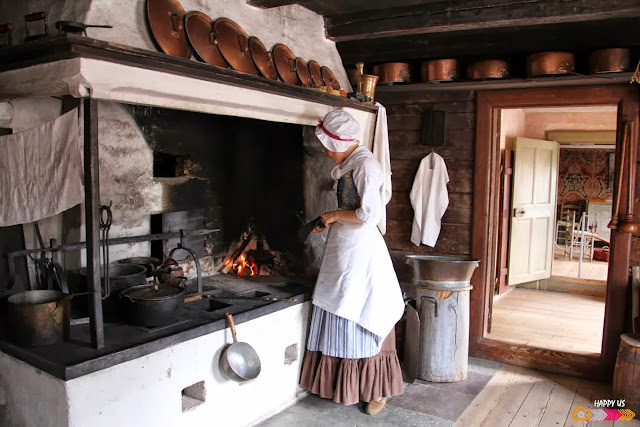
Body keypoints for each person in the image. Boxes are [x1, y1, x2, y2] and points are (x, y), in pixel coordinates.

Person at [299, 109, 405, 415]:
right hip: (345, 245)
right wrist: (330, 220)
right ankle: (342, 384)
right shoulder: (352, 163)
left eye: (326, 145)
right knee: (340, 302)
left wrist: (333, 215)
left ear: (338, 141)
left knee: (360, 307)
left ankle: (377, 388)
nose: (324, 151)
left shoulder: (366, 167)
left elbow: (369, 214)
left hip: (362, 249)